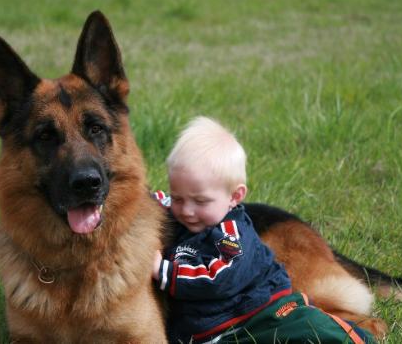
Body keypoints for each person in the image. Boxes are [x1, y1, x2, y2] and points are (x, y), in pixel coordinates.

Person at [152, 116, 374, 344]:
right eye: (178, 197)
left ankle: (355, 337)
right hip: (213, 325)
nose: (186, 210)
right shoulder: (184, 211)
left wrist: (164, 271)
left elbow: (219, 276)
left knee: (307, 332)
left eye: (200, 201)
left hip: (259, 313)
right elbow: (156, 201)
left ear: (234, 197)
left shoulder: (231, 235)